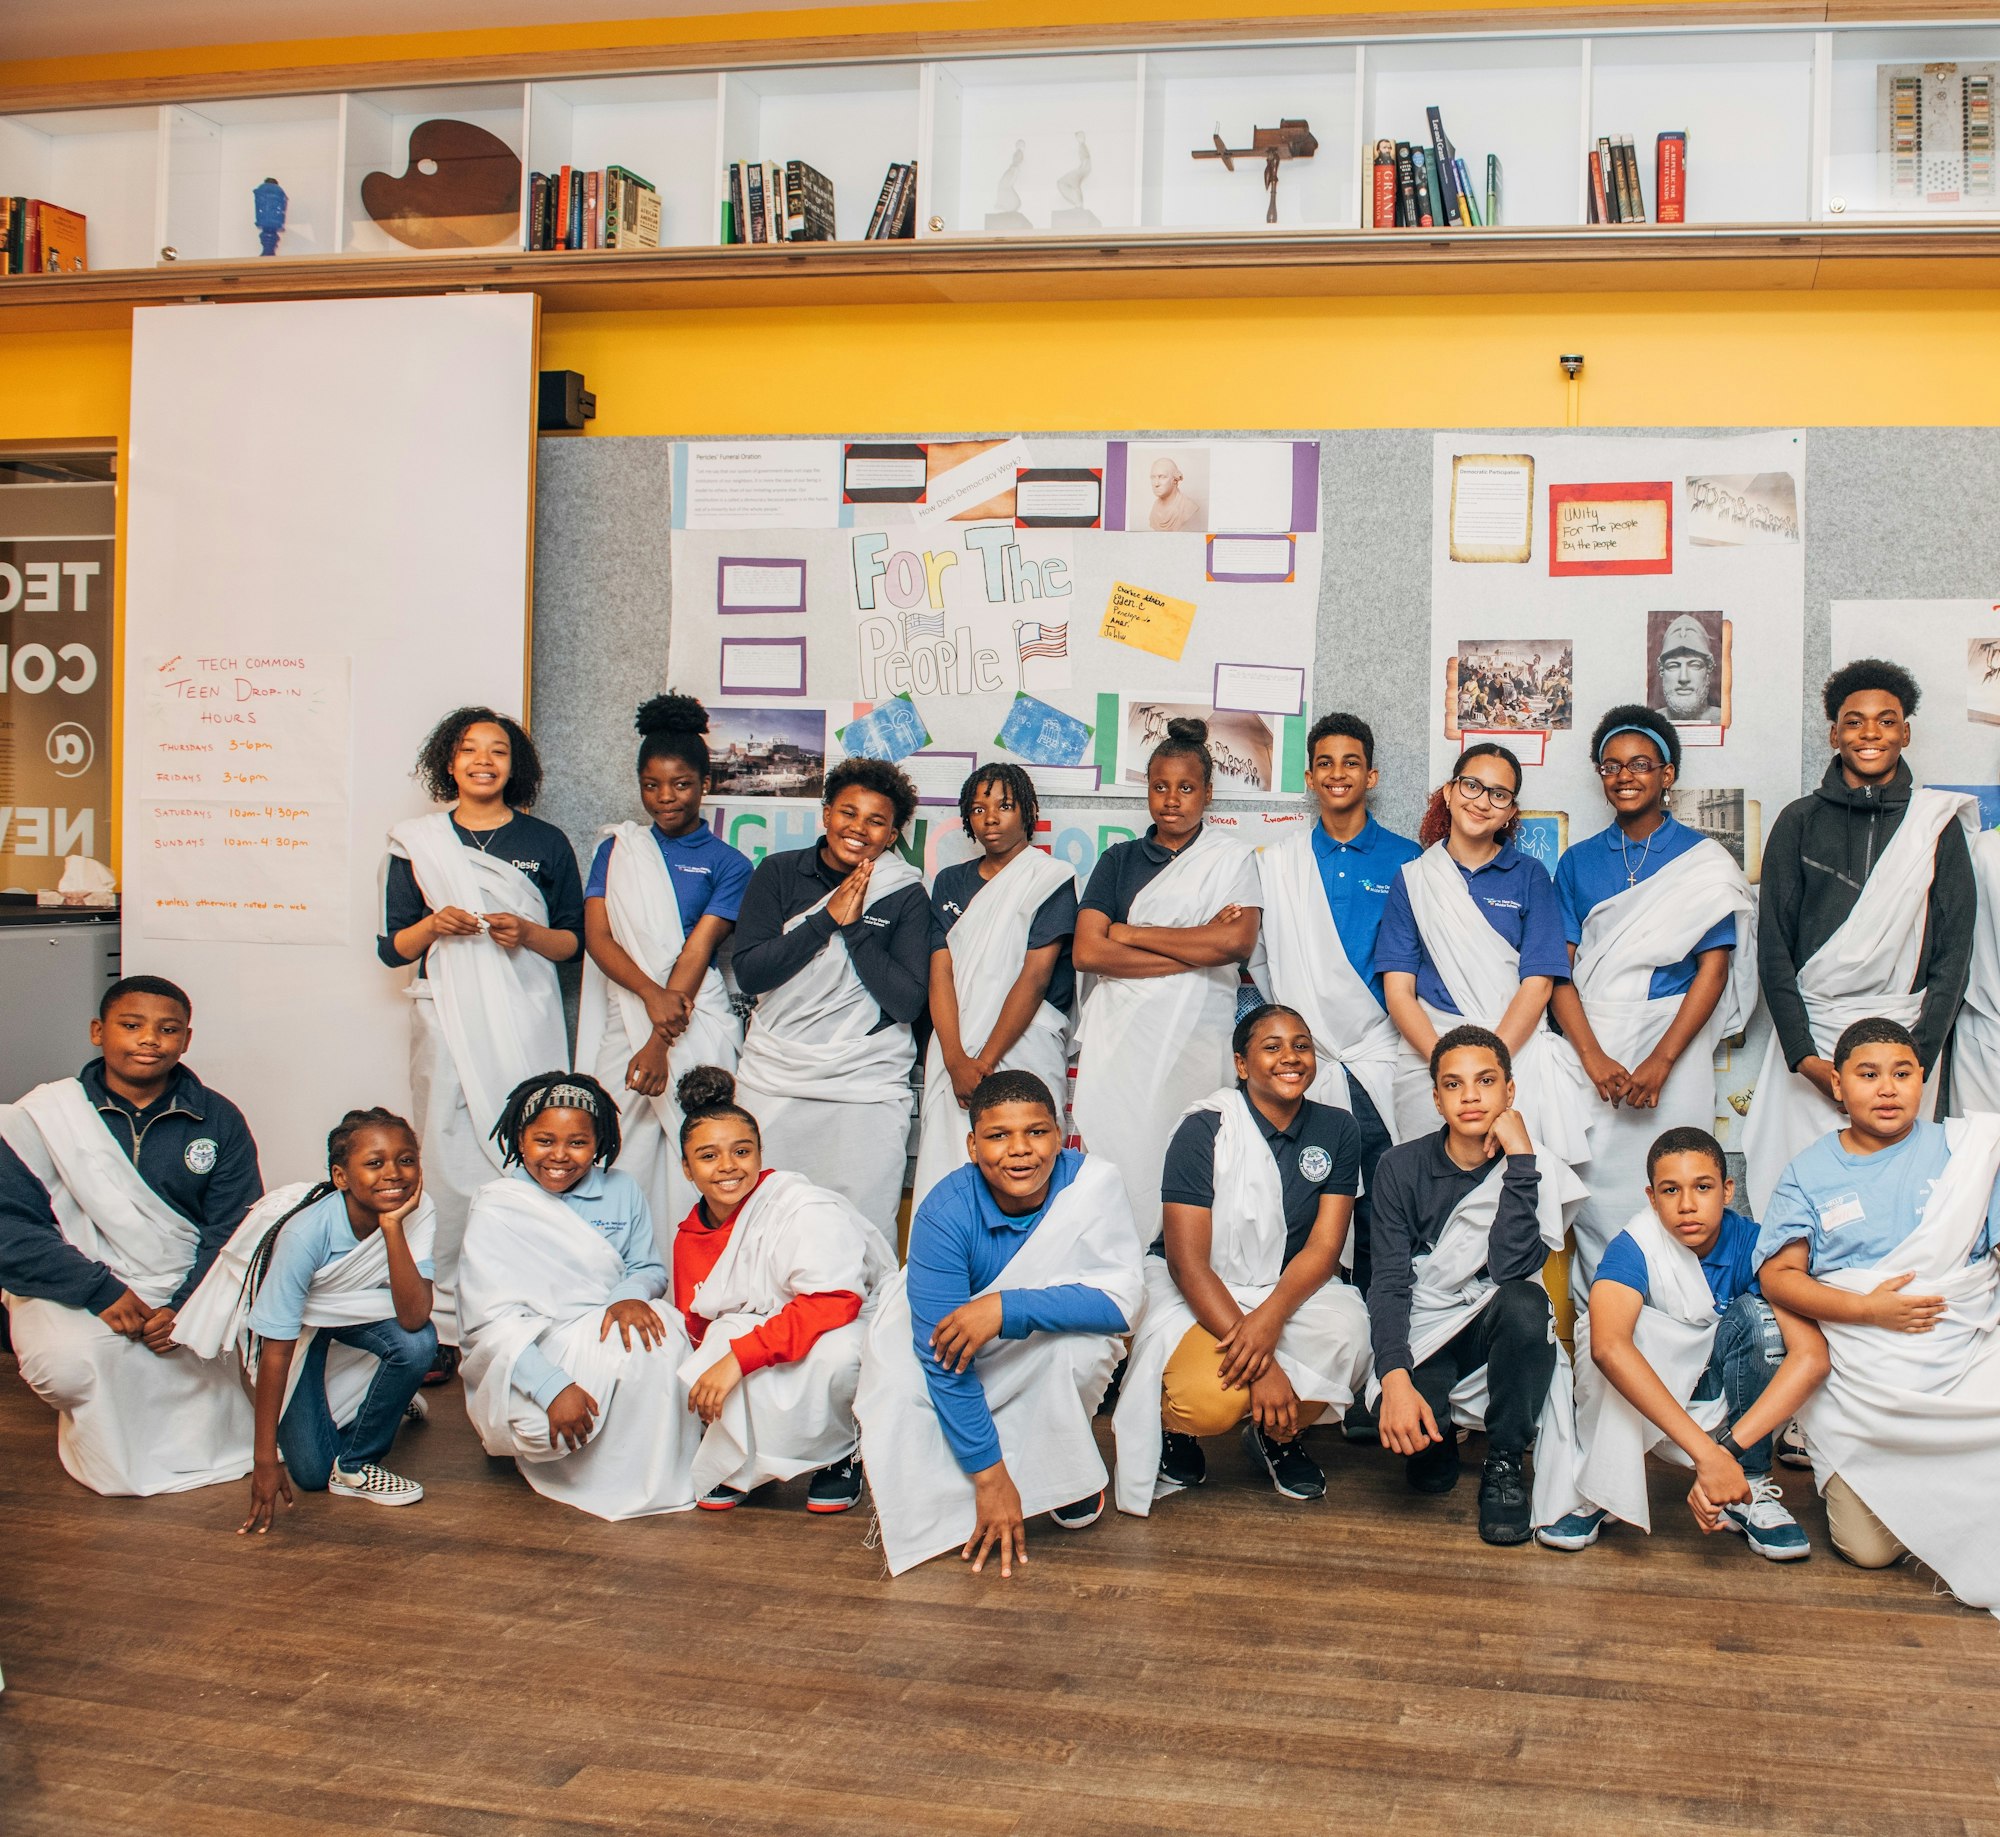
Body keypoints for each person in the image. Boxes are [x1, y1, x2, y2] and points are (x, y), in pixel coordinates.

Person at [854, 1071, 1143, 1577]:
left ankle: (1063, 1471)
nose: (1020, 1151)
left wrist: (1004, 1309)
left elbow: (1123, 1306)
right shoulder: (943, 1213)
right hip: (941, 1335)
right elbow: (939, 1356)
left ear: (1059, 1134)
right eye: (997, 1135)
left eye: (1036, 1132)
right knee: (901, 1391)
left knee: (1082, 1353)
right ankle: (987, 1471)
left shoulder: (1093, 1185)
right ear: (971, 1144)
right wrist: (989, 1480)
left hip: (1020, 1329)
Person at [1756, 1018, 2000, 1606]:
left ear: (1923, 1080)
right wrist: (1866, 1311)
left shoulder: (1966, 1154)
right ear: (1838, 1085)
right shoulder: (1809, 1172)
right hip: (1864, 1380)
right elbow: (1778, 1277)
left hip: (1962, 1356)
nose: (1887, 1088)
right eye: (1868, 1075)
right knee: (1870, 1550)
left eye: (1903, 1073)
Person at [0, 975, 260, 1495]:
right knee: (68, 1366)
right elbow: (11, 1228)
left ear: (186, 1040)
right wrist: (100, 1290)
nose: (149, 1039)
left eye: (167, 1029)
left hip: (182, 1287)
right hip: (76, 1284)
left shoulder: (220, 1119)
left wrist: (188, 1307)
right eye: (131, 1025)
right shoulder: (40, 1118)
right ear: (98, 1031)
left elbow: (233, 1226)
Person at [1111, 1004, 1371, 1513]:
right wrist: (1264, 1368)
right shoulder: (1203, 1129)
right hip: (1201, 1288)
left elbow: (1323, 1249)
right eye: (1271, 1047)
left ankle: (1276, 1438)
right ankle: (1176, 1434)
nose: (1290, 1057)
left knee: (1350, 1339)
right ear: (1242, 1064)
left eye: (1301, 1045)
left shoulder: (1338, 1129)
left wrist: (1268, 1321)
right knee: (1206, 1402)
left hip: (1286, 1288)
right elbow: (1188, 1264)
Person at [1743, 659, 1976, 1215]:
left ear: (1906, 732)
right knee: (1798, 1196)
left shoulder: (1934, 824)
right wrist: (1805, 1058)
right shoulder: (1797, 821)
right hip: (1813, 1045)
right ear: (1834, 733)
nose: (1870, 734)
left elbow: (1953, 955)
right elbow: (1773, 949)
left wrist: (1915, 1060)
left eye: (1886, 721)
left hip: (1907, 1044)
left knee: (1902, 1200)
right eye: (1855, 721)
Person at [380, 706, 581, 1348]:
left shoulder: (544, 842)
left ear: (514, 767)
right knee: (445, 1149)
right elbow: (392, 948)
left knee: (530, 1140)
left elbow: (571, 942)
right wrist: (434, 925)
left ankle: (523, 1301)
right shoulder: (417, 841)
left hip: (528, 1017)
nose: (484, 761)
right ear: (449, 761)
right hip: (448, 1019)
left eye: (498, 751)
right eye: (470, 749)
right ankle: (442, 1318)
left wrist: (527, 933)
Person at [1537, 1125, 1824, 1560]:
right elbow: (1607, 1348)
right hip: (1654, 1393)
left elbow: (1812, 1359)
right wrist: (1706, 1455)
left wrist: (1721, 1456)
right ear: (1651, 1198)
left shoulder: (1756, 1244)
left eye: (1703, 1187)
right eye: (1670, 1190)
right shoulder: (1635, 1245)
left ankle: (1749, 1481)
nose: (1687, 1205)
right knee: (1601, 1329)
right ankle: (1603, 1484)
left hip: (1727, 1396)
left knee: (1764, 1320)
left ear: (1727, 1190)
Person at [1550, 706, 1756, 1280]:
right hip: (1593, 1046)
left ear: (1668, 775)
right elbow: (1557, 971)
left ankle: (1684, 1324)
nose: (1624, 776)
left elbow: (1713, 969)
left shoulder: (1704, 862)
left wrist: (1663, 1059)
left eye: (1640, 764)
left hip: (1676, 1045)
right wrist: (1592, 1058)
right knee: (1594, 1195)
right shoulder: (1577, 861)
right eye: (1611, 766)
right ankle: (1604, 1328)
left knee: (1680, 1184)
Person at [1366, 1026, 1583, 1546]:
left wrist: (1522, 1163)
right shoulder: (1399, 1166)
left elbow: (1509, 1269)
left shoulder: (1536, 1165)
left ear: (1510, 1092)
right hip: (1429, 1325)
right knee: (1407, 1436)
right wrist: (1395, 1379)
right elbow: (1391, 1283)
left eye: (1485, 1081)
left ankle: (1505, 1461)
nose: (1470, 1095)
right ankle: (1437, 1438)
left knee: (1527, 1301)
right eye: (1454, 1084)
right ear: (1436, 1098)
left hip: (1499, 1326)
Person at [176, 1109, 438, 1529]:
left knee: (418, 1343)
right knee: (314, 1475)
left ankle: (358, 1463)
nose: (394, 1174)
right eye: (374, 1163)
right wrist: (264, 1461)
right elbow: (275, 1351)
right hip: (296, 1331)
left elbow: (413, 1317)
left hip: (357, 1313)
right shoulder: (305, 1233)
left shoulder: (417, 1211)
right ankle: (389, 1402)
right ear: (341, 1176)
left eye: (406, 1160)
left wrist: (392, 1228)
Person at [457, 1072, 697, 1521]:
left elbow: (646, 1267)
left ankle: (654, 1474)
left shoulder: (621, 1189)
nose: (560, 1157)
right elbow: (490, 1320)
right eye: (544, 1140)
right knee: (549, 1424)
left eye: (577, 1143)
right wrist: (553, 1388)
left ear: (599, 1141)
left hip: (603, 1325)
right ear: (520, 1139)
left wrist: (628, 1296)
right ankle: (586, 1467)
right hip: (532, 1345)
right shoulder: (499, 1205)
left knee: (660, 1334)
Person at [669, 1067, 896, 1514]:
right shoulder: (689, 1233)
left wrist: (738, 1358)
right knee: (717, 1340)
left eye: (741, 1151)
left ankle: (842, 1454)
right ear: (687, 1168)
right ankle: (741, 1461)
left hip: (842, 1318)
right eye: (708, 1156)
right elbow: (695, 1317)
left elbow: (835, 1300)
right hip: (775, 1326)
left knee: (836, 1354)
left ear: (760, 1153)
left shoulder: (798, 1207)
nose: (729, 1166)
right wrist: (708, 1373)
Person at [1071, 718, 1261, 1244]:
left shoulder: (1230, 858)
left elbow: (1234, 945)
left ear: (1207, 792)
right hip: (1122, 1043)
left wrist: (1129, 933)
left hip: (1197, 1041)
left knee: (1192, 1152)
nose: (1171, 800)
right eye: (1159, 787)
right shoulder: (1120, 860)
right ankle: (1116, 1265)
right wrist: (1195, 945)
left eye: (1185, 788)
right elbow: (1088, 951)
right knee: (1120, 1154)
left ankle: (1184, 1270)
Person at [1252, 711, 1421, 1298]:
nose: (1338, 773)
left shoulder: (1410, 859)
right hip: (1304, 1061)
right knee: (1299, 1205)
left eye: (1351, 762)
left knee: (1382, 1207)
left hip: (1381, 1056)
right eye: (1325, 762)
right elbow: (1260, 959)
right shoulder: (1278, 864)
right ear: (1309, 776)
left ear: (1371, 775)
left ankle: (1381, 1353)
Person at [579, 693, 750, 1249]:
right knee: (616, 1141)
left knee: (699, 1146)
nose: (665, 798)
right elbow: (598, 937)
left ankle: (694, 1271)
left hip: (691, 1016)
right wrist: (649, 996)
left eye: (680, 784)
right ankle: (614, 1263)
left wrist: (657, 1041)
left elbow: (698, 953)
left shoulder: (729, 864)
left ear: (705, 784)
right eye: (651, 785)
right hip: (629, 1011)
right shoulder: (617, 849)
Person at [730, 758, 931, 1232]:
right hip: (775, 1077)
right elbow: (751, 973)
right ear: (825, 815)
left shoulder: (903, 894)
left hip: (863, 1084)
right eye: (848, 812)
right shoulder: (779, 873)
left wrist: (856, 927)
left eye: (876, 820)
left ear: (893, 834)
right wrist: (826, 920)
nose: (858, 828)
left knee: (859, 1227)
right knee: (767, 1223)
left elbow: (906, 1003)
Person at [1375, 742, 1589, 1169]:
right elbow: (1398, 991)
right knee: (1428, 1187)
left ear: (1511, 811)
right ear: (1450, 793)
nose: (1482, 801)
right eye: (1472, 786)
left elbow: (1539, 983)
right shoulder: (1414, 879)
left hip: (1515, 1056)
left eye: (1499, 794)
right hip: (1428, 1056)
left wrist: (1491, 1070)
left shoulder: (1530, 876)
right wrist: (1447, 1070)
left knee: (1518, 1192)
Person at [914, 763, 1078, 1209]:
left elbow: (1035, 975)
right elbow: (941, 969)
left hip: (1021, 1045)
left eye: (1005, 805)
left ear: (1027, 811)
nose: (991, 817)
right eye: (979, 808)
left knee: (1027, 1165)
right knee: (949, 1165)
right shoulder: (950, 881)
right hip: (955, 1049)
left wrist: (983, 1062)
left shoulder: (1051, 877)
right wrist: (955, 1059)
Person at [1654, 615, 1724, 725]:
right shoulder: (1651, 722)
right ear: (1662, 671)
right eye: (1673, 666)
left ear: (1708, 670)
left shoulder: (1723, 719)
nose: (1683, 678)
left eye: (1695, 665)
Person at [1146, 456, 1202, 532]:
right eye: (1153, 477)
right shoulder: (1155, 506)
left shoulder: (1187, 507)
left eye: (1162, 477)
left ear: (1175, 480)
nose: (1156, 484)